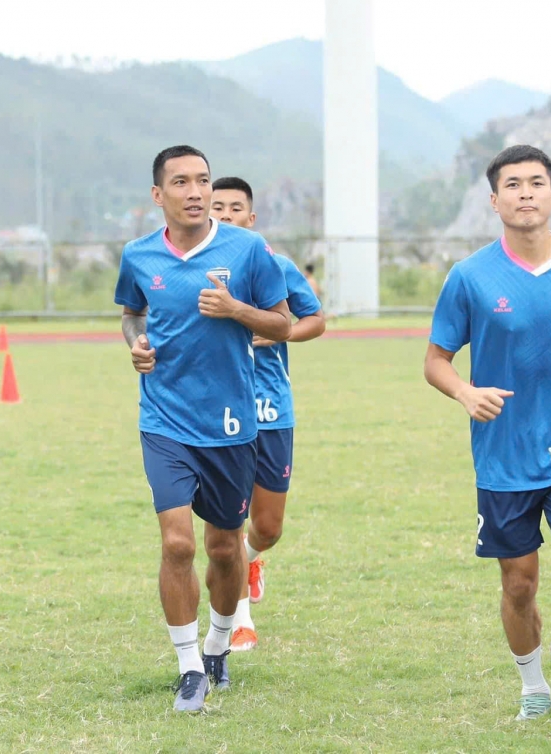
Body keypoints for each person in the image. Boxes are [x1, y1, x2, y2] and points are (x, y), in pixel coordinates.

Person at [423, 145, 551, 721]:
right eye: (513, 185)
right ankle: (532, 686)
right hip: (504, 455)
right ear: (495, 201)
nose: (526, 193)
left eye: (536, 182)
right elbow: (435, 360)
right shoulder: (470, 277)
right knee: (519, 586)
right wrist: (466, 392)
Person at [114, 146, 291, 712]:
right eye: (182, 182)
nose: (194, 191)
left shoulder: (247, 250)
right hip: (164, 417)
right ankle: (189, 665)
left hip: (232, 424)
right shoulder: (139, 255)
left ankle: (218, 644)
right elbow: (132, 313)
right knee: (176, 542)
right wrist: (136, 345)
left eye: (203, 181)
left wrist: (238, 309)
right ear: (157, 194)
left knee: (221, 548)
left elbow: (283, 323)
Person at [209, 176, 326, 652]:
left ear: (251, 219)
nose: (226, 215)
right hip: (219, 414)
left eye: (236, 208)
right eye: (218, 207)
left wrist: (282, 334)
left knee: (268, 528)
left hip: (273, 411)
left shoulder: (275, 265)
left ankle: (253, 559)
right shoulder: (197, 272)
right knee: (228, 523)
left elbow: (315, 320)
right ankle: (240, 618)